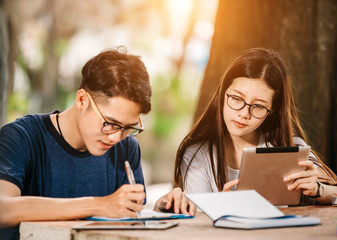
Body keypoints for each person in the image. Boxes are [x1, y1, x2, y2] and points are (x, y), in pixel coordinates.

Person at [0, 46, 195, 240]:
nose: (116, 137)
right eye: (110, 124)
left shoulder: (127, 148)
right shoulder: (21, 137)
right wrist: (100, 205)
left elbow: (126, 223)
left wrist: (160, 213)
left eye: (128, 127)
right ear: (82, 100)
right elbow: (3, 209)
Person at [174, 48, 337, 205]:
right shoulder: (197, 153)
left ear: (271, 111)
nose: (244, 113)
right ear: (222, 94)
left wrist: (317, 189)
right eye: (237, 99)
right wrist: (222, 206)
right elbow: (199, 221)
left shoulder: (288, 147)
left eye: (258, 106)